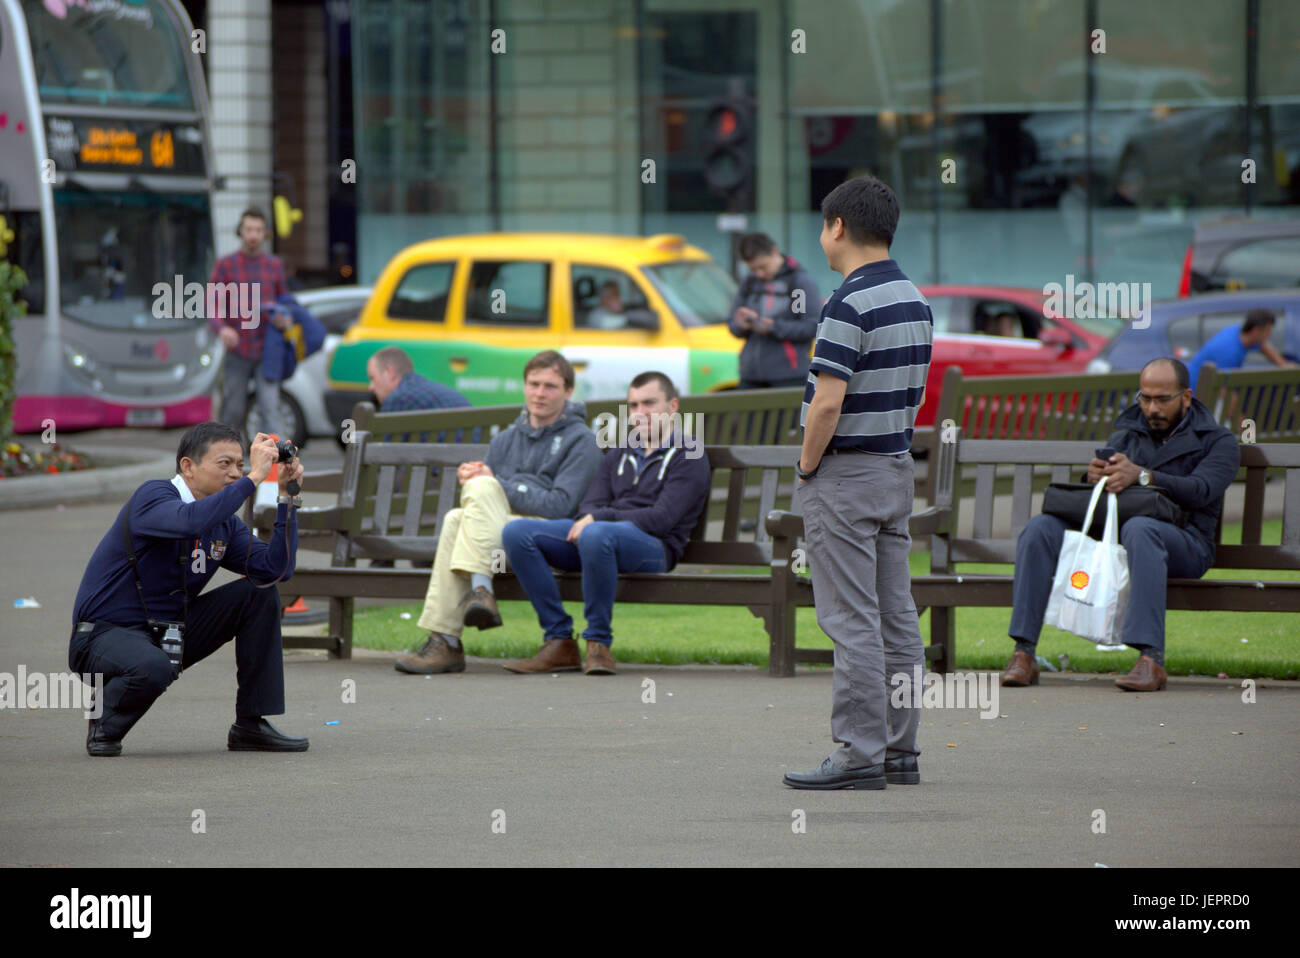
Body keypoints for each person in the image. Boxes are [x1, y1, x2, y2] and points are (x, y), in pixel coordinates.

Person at [783, 175, 933, 791]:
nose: (821, 237)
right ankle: (901, 750)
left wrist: (806, 467)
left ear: (838, 226)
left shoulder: (847, 302)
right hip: (895, 468)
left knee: (850, 619)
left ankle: (858, 754)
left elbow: (826, 404)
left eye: (823, 226)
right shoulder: (916, 300)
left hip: (844, 473)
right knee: (896, 617)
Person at [1000, 357, 1240, 692]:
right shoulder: (1128, 432)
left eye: (1162, 399)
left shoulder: (1219, 441)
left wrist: (1143, 476)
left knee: (1141, 528)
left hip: (1187, 544)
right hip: (1120, 538)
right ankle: (1024, 653)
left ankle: (1150, 660)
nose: (1151, 408)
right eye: (1145, 398)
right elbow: (1106, 496)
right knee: (1040, 528)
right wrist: (1094, 476)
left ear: (1186, 397)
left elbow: (1202, 491)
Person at [69, 423, 307, 756]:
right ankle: (104, 721)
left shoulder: (224, 524)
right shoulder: (153, 496)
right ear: (188, 467)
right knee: (151, 665)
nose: (235, 473)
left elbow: (276, 569)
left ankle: (251, 725)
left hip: (168, 634)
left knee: (259, 592)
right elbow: (189, 521)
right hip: (103, 637)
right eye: (224, 464)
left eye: (240, 465)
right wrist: (254, 478)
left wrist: (287, 496)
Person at [394, 351, 602, 674]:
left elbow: (561, 505)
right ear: (524, 386)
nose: (539, 393)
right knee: (455, 517)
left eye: (550, 386)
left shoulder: (582, 441)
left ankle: (460, 621)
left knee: (481, 488)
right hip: (495, 539)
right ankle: (454, 630)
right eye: (533, 384)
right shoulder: (506, 439)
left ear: (569, 391)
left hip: (543, 537)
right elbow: (485, 498)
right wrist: (480, 480)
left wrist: (493, 483)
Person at [501, 371, 711, 676]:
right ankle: (559, 639)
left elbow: (662, 519)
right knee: (517, 532)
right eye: (634, 405)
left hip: (655, 547)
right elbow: (590, 504)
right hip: (599, 541)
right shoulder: (619, 451)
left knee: (597, 532)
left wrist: (600, 518)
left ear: (672, 406)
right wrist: (596, 519)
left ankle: (598, 642)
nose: (640, 413)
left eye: (649, 403)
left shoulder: (690, 454)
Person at [208, 208, 291, 441]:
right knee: (232, 410)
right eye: (248, 229)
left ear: (265, 234)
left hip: (267, 351)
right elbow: (212, 303)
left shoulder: (274, 265)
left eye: (258, 230)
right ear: (240, 232)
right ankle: (228, 463)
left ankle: (278, 469)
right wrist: (222, 328)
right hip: (238, 350)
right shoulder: (225, 265)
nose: (253, 235)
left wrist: (284, 318)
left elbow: (285, 301)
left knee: (270, 410)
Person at [728, 232, 822, 389]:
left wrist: (772, 327)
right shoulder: (750, 282)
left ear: (774, 251)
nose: (759, 274)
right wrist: (740, 324)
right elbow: (733, 325)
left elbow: (810, 326)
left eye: (763, 267)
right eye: (753, 269)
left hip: (788, 376)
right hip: (750, 375)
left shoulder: (798, 282)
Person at [1187, 309, 1294, 389]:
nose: (1269, 335)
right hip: (1198, 395)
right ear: (1256, 331)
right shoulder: (1229, 352)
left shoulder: (1239, 331)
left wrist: (1282, 364)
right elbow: (1225, 392)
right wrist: (1242, 419)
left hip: (1209, 390)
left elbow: (1264, 346)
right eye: (1268, 331)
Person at [366, 345, 471, 414]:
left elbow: (382, 447)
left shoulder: (398, 400)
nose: (371, 387)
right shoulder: (455, 396)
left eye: (372, 378)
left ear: (390, 372)